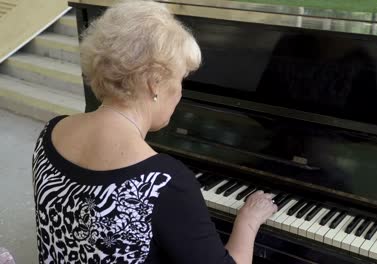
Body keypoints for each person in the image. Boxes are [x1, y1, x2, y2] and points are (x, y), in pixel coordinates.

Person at [32, 1, 277, 263]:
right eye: (181, 79)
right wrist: (248, 223)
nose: (181, 92)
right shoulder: (162, 182)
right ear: (155, 83)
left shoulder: (51, 132)